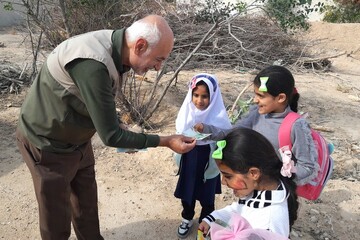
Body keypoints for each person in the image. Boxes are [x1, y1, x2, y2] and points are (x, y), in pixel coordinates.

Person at [15, 15, 196, 240]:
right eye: (159, 59)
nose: (158, 67)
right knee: (56, 221)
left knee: (86, 206)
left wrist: (115, 120)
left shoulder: (117, 50)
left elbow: (97, 103)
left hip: (78, 140)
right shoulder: (93, 62)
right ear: (140, 46)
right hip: (47, 143)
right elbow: (111, 136)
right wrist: (166, 140)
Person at [195, 65, 319, 186]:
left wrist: (276, 180)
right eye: (255, 94)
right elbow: (233, 134)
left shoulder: (296, 126)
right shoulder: (256, 115)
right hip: (254, 185)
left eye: (261, 96)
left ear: (280, 98)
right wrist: (206, 130)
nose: (255, 100)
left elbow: (307, 167)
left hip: (277, 192)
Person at [198, 128, 299, 238]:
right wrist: (212, 218)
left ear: (254, 173)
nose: (223, 182)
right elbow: (239, 208)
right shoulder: (263, 188)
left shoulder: (268, 225)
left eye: (228, 176)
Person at [174, 73, 232, 238]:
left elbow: (225, 134)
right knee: (188, 190)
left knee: (207, 194)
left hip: (209, 159)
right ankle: (187, 217)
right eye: (196, 95)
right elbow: (180, 130)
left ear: (213, 97)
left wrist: (206, 129)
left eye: (205, 96)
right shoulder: (187, 111)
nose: (200, 100)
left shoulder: (217, 114)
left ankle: (206, 222)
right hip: (190, 156)